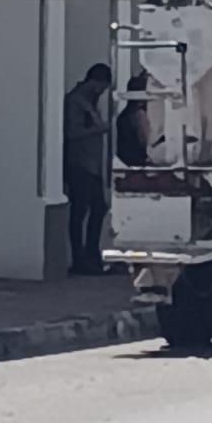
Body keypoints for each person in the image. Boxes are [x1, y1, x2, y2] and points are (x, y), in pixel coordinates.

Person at [64, 62, 112, 275]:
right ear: (95, 82)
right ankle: (79, 258)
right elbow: (72, 133)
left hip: (92, 166)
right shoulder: (76, 102)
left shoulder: (89, 102)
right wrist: (98, 130)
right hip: (79, 163)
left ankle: (91, 254)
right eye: (102, 87)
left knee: (99, 208)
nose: (102, 92)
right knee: (79, 211)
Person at [115, 71, 149, 168]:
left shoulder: (123, 115)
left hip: (127, 166)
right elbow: (145, 143)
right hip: (139, 167)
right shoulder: (138, 115)